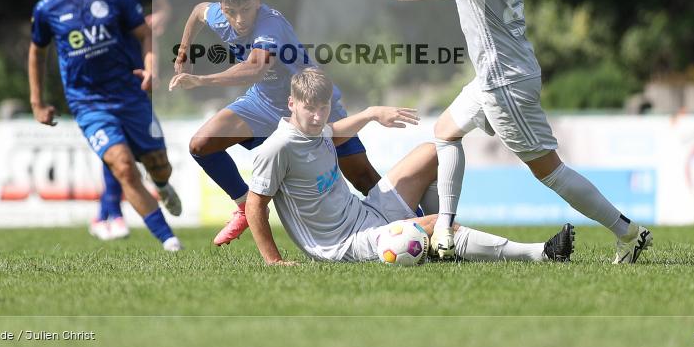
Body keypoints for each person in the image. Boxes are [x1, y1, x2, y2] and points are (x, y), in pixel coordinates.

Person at [375, 0, 652, 264]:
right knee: (445, 131)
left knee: (549, 171)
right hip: (503, 71)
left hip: (504, 79)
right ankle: (445, 230)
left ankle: (628, 232)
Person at [246, 69, 575, 265]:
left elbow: (335, 130)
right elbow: (254, 206)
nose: (318, 116)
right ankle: (541, 253)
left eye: (323, 107)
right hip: (346, 245)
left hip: (367, 213)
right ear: (291, 104)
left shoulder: (315, 128)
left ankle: (443, 246)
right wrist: (274, 262)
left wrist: (373, 112)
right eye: (309, 109)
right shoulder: (277, 148)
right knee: (440, 225)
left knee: (431, 152)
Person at [169, 0, 383, 246]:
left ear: (257, 0)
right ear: (223, 7)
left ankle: (418, 223)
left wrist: (200, 80)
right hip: (263, 102)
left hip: (310, 107)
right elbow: (199, 10)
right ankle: (245, 205)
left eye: (245, 9)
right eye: (231, 11)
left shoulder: (270, 24)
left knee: (363, 177)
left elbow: (256, 68)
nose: (239, 19)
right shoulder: (221, 15)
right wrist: (184, 51)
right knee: (201, 145)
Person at [28, 0, 183, 252]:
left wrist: (151, 68)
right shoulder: (47, 8)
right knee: (123, 166)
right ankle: (169, 240)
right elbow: (37, 54)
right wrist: (37, 102)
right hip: (89, 104)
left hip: (130, 95)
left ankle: (162, 184)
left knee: (159, 165)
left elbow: (145, 35)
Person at [87, 0, 174, 240]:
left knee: (129, 138)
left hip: (136, 65)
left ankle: (109, 210)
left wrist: (159, 18)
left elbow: (163, 6)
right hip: (98, 69)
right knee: (114, 136)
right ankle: (110, 210)